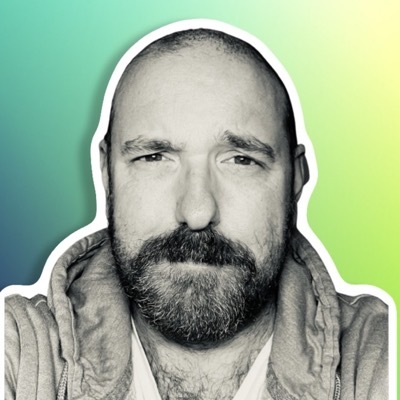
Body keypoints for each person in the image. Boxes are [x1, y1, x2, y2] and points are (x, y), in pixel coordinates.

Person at [3, 22, 389, 400]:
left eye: (241, 160)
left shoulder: (381, 357)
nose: (197, 212)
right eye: (154, 157)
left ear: (295, 178)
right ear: (105, 172)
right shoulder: (15, 351)